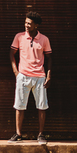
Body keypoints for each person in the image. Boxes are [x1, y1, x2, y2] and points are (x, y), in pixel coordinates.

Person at [8, 11, 51, 142]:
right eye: (26, 23)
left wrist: (48, 76)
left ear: (36, 25)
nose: (26, 25)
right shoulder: (19, 37)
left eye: (29, 23)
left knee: (42, 106)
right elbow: (11, 54)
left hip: (39, 77)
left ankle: (41, 134)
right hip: (23, 76)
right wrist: (16, 72)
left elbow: (49, 58)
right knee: (19, 105)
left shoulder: (44, 39)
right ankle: (18, 133)